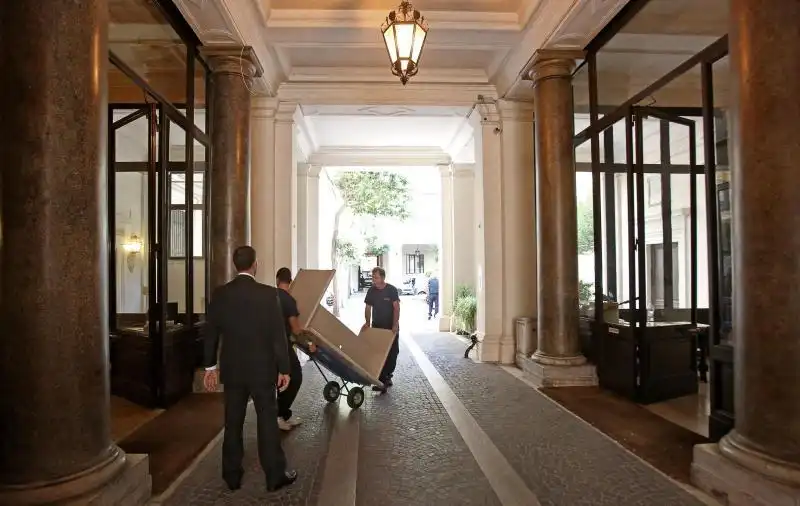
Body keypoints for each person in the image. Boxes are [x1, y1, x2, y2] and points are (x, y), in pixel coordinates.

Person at [203, 246, 298, 493]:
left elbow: (210, 334)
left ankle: (231, 476)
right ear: (255, 264)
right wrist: (284, 369)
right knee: (267, 421)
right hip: (262, 370)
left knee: (232, 422)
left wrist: (210, 367)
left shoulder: (221, 294)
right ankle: (275, 475)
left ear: (236, 265)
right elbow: (278, 336)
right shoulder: (268, 295)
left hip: (233, 371)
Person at [275, 267, 316, 431]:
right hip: (282, 345)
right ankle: (279, 415)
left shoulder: (269, 295)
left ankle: (283, 414)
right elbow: (296, 329)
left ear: (277, 279)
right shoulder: (289, 301)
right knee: (296, 377)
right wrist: (309, 343)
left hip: (267, 346)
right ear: (290, 282)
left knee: (278, 380)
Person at [361, 267, 400, 392]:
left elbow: (396, 308)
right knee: (378, 353)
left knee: (392, 353)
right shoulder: (371, 291)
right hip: (377, 327)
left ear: (383, 278)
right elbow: (368, 307)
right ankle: (382, 379)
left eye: (376, 277)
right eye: (373, 277)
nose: (374, 280)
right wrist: (367, 322)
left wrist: (395, 324)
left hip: (390, 328)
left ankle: (387, 376)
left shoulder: (391, 290)